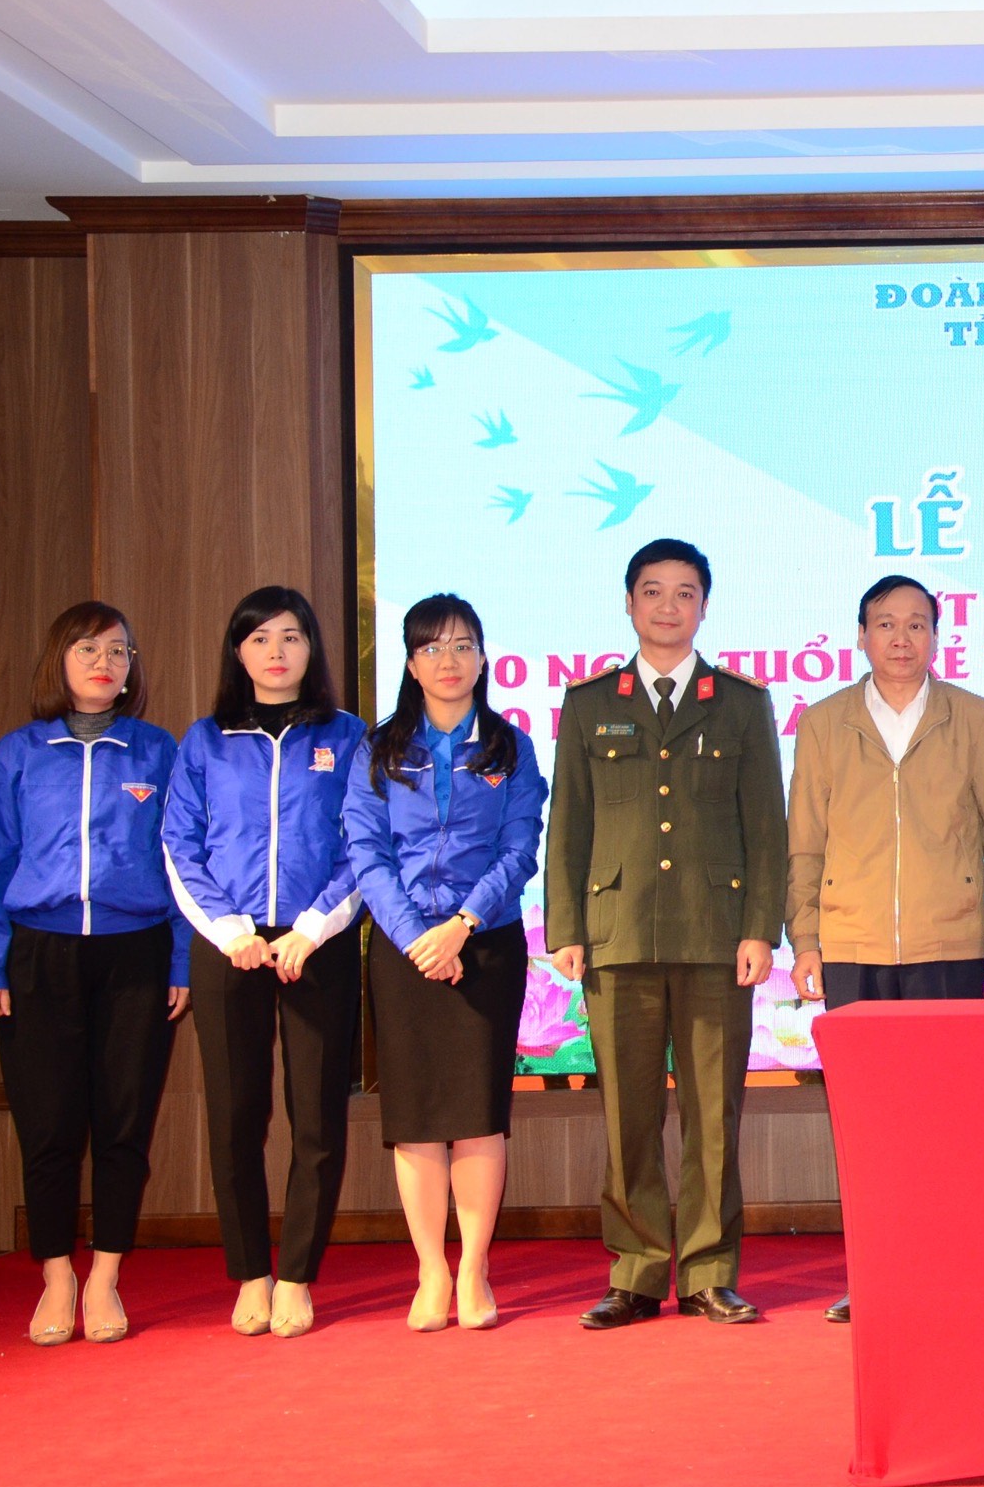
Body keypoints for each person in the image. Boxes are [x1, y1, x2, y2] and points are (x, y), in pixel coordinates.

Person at [545, 539, 788, 1329]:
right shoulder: (589, 703)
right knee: (629, 1116)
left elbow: (766, 827)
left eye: (685, 593)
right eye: (653, 591)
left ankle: (709, 1272)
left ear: (704, 607)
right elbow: (569, 822)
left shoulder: (741, 702)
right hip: (616, 935)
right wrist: (566, 926)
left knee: (714, 1118)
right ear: (628, 603)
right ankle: (637, 1272)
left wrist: (760, 929)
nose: (668, 606)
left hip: (716, 936)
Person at [0, 603, 189, 1346]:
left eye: (119, 651)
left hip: (136, 956)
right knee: (50, 1126)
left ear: (131, 669)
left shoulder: (158, 752)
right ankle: (57, 1275)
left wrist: (181, 958)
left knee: (124, 1124)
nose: (104, 663)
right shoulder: (17, 754)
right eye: (88, 649)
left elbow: (182, 863)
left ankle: (105, 1278)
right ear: (59, 660)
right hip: (39, 957)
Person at [787, 574, 984, 1323]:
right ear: (861, 636)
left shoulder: (974, 718)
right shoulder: (824, 722)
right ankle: (875, 1274)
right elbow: (805, 843)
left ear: (937, 637)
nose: (902, 638)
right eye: (885, 624)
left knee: (948, 1119)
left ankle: (947, 1269)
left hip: (948, 942)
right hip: (853, 944)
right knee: (867, 1123)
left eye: (917, 624)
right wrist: (806, 938)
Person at [164, 587, 368, 1338]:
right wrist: (230, 932)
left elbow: (364, 843)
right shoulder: (204, 740)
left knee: (316, 1116)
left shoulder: (348, 736)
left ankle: (297, 1276)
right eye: (259, 638)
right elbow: (179, 844)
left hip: (318, 944)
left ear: (313, 648)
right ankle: (252, 1271)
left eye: (291, 636)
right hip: (231, 946)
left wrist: (312, 929)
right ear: (238, 652)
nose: (276, 651)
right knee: (235, 1115)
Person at [344, 594, 545, 1332]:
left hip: (485, 943)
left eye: (463, 645)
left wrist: (460, 927)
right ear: (409, 662)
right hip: (404, 949)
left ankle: (474, 1268)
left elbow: (520, 847)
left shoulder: (510, 747)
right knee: (417, 1117)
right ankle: (431, 1268)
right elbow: (365, 851)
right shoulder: (379, 749)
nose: (448, 660)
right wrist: (416, 938)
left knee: (478, 1112)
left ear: (484, 658)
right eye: (431, 647)